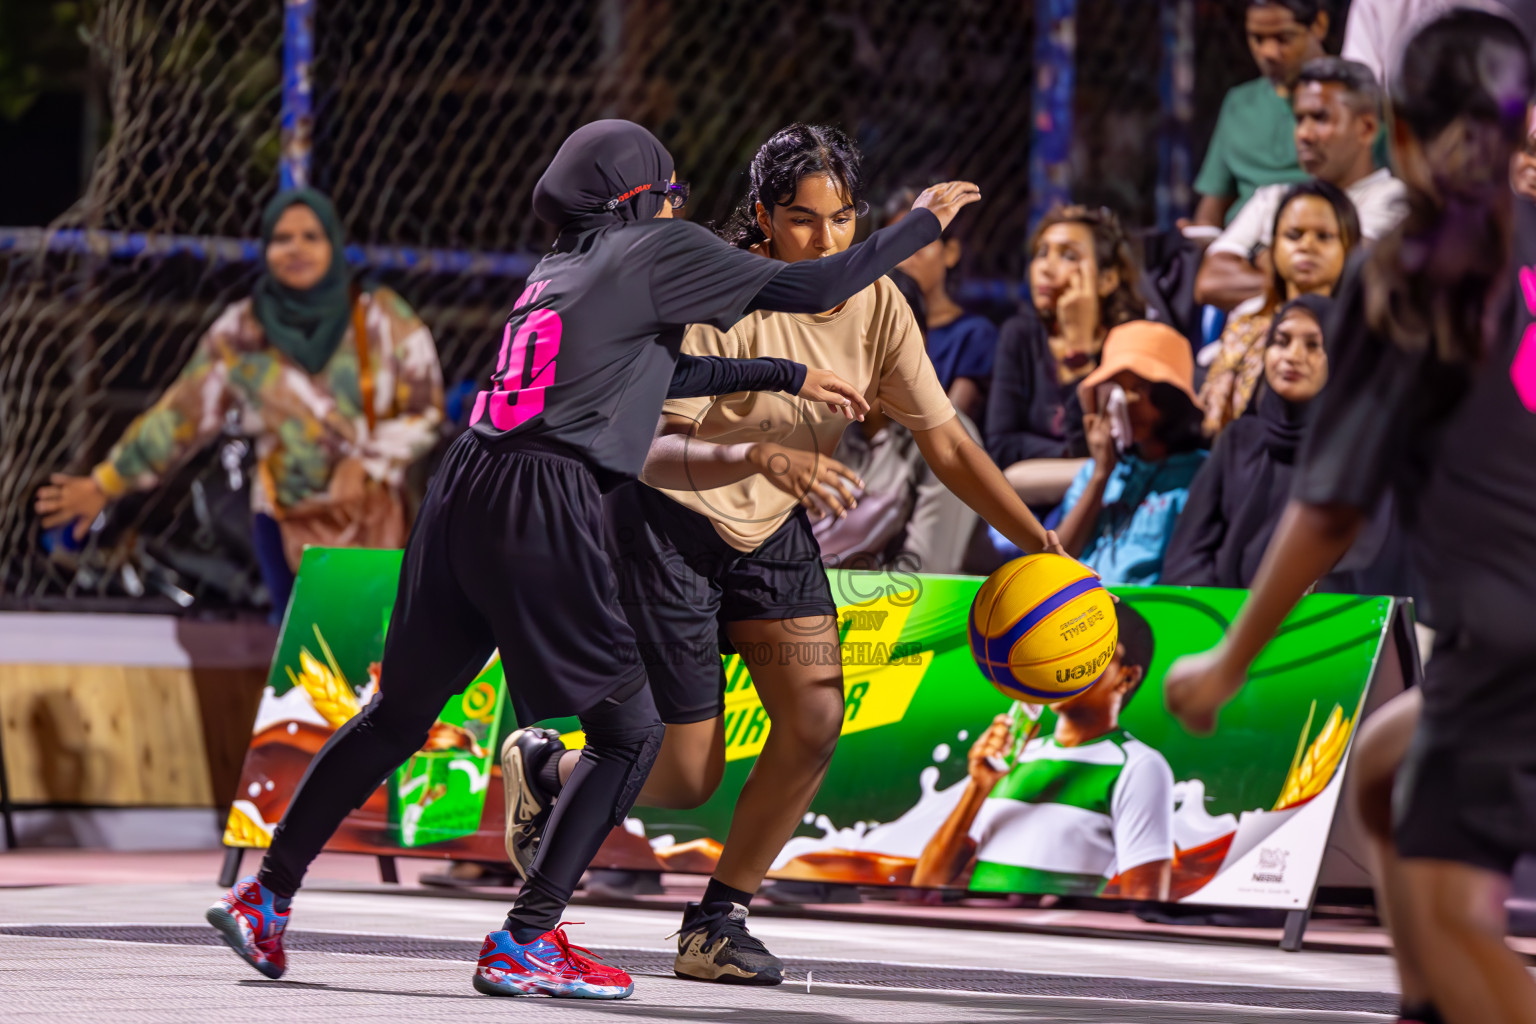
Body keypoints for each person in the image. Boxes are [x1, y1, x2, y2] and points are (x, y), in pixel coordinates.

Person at [199, 119, 981, 1001]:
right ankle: (526, 939)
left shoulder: (559, 268)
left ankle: (266, 896)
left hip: (464, 483)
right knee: (632, 731)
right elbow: (821, 282)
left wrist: (780, 375)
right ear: (638, 198)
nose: (678, 199)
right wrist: (921, 223)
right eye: (668, 186)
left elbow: (647, 373)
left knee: (396, 714)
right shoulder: (655, 247)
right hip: (544, 495)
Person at [500, 123, 1063, 987]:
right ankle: (548, 767)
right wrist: (759, 455)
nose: (827, 239)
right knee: (686, 776)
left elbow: (947, 443)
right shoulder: (710, 291)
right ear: (762, 217)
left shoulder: (878, 305)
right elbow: (647, 447)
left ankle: (718, 921)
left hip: (771, 531)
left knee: (814, 719)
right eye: (803, 220)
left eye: (842, 219)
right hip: (664, 525)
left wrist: (1041, 543)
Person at [1163, 14, 1536, 1024]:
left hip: (1511, 643)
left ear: (1399, 134)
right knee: (1378, 766)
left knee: (1461, 923)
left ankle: (1457, 988)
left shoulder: (1410, 270)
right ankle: (1430, 1003)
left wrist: (1229, 660)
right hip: (1500, 642)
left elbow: (1329, 505)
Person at [33, 189, 445, 617]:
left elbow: (426, 409)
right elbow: (180, 417)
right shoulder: (243, 332)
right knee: (313, 657)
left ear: (334, 244)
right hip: (286, 520)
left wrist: (370, 462)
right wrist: (105, 484)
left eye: (311, 236)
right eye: (282, 239)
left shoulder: (381, 316)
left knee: (373, 650)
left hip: (370, 518)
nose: (296, 249)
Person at [912, 602, 1172, 899]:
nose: (1061, 665)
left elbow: (1144, 903)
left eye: (1088, 652)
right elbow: (926, 881)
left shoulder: (1139, 766)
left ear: (1126, 677)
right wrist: (979, 785)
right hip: (975, 936)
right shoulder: (1014, 758)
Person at [1196, 58, 1406, 312]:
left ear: (1367, 128)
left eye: (1320, 118)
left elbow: (1352, 281)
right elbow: (1210, 283)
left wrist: (1264, 258)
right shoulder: (1273, 197)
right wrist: (1301, 281)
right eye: (1299, 119)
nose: (1304, 134)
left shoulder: (1392, 200)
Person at [1163, 296, 1332, 587]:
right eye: (1281, 341)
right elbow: (1187, 555)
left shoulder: (1354, 454)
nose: (1292, 356)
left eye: (1313, 345)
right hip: (1224, 621)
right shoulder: (1238, 439)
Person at [985, 204, 1146, 508]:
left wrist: (1079, 351)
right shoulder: (1020, 336)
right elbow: (1002, 447)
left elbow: (1116, 450)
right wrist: (1074, 458)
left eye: (1068, 255)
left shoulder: (1128, 341)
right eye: (1041, 253)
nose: (1045, 267)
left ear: (1106, 279)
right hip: (1032, 502)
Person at [1199, 180, 1359, 435]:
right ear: (1274, 247)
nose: (1307, 246)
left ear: (1350, 247)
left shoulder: (1363, 333)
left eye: (1324, 237)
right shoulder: (1247, 328)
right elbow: (1215, 427)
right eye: (1293, 235)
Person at [1054, 321, 1207, 586]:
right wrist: (1102, 475)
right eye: (1117, 390)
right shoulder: (1096, 472)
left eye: (1140, 389)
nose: (1128, 404)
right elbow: (1056, 561)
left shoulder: (1199, 476)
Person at [1190, 0, 1328, 228]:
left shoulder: (1352, 102)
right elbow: (1213, 202)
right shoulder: (1239, 103)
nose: (1268, 52)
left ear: (1319, 26)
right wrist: (1203, 239)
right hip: (1239, 243)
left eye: (1283, 38)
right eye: (1257, 39)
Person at [883, 187, 998, 422]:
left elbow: (953, 425)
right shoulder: (879, 327)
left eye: (918, 244)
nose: (903, 259)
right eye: (894, 246)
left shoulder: (974, 335)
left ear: (951, 252)